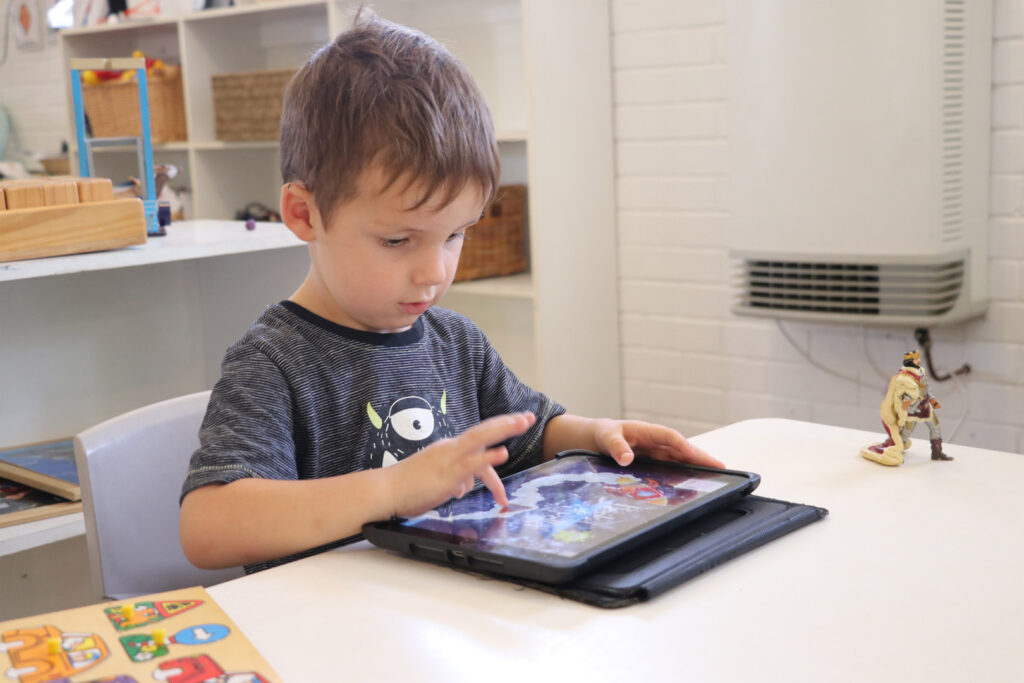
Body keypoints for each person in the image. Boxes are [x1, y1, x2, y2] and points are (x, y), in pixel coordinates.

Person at [179, 12, 722, 574]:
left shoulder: (455, 342)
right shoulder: (272, 361)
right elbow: (209, 526)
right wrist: (394, 487)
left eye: (455, 235)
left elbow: (531, 435)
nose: (433, 272)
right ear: (303, 212)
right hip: (327, 637)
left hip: (439, 618)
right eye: (397, 240)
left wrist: (600, 434)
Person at [860, 350, 953, 466]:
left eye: (918, 358)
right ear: (910, 362)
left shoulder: (921, 371)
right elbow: (898, 398)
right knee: (906, 432)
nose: (919, 361)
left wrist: (932, 399)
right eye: (916, 359)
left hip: (925, 406)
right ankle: (897, 449)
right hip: (912, 410)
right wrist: (903, 410)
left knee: (935, 426)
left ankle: (937, 452)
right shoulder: (902, 378)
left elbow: (926, 388)